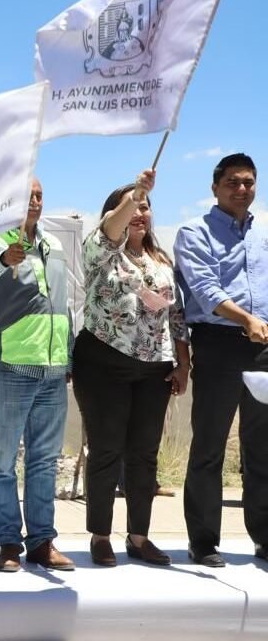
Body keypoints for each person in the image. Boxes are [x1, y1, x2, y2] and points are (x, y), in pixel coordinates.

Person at [72, 170, 189, 567]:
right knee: (106, 450)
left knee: (144, 454)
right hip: (103, 362)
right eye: (133, 205)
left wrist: (182, 362)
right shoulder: (100, 249)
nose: (141, 211)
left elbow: (177, 316)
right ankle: (100, 536)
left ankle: (139, 537)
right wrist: (136, 191)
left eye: (146, 206)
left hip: (154, 366)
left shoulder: (160, 259)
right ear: (115, 212)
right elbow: (110, 230)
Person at [0, 178, 75, 573]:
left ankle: (42, 541)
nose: (34, 201)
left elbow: (66, 305)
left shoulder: (54, 245)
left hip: (52, 369)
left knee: (44, 460)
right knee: (1, 461)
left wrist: (69, 358)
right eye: (25, 195)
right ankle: (9, 542)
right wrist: (4, 259)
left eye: (38, 195)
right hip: (8, 365)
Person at [174, 153, 268, 567]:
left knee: (262, 446)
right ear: (215, 187)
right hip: (218, 343)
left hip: (263, 346)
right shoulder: (194, 232)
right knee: (209, 444)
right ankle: (204, 541)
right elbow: (205, 288)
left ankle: (264, 538)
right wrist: (246, 318)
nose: (241, 189)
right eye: (233, 182)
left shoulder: (264, 233)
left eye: (248, 182)